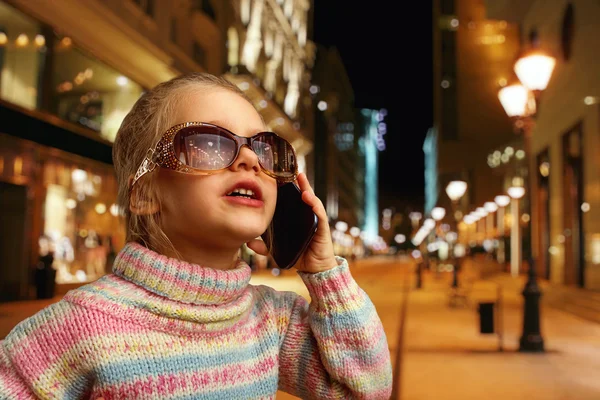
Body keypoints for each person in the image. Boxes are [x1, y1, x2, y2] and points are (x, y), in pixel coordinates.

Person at [0, 73, 393, 399]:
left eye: (265, 147)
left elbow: (366, 389)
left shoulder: (272, 321)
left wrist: (325, 272)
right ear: (145, 193)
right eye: (208, 142)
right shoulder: (80, 325)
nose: (250, 159)